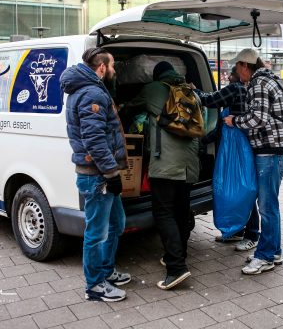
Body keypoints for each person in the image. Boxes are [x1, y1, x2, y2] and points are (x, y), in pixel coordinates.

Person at [60, 48, 130, 302]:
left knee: (115, 224)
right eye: (111, 66)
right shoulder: (92, 92)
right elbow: (95, 140)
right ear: (101, 67)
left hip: (101, 173)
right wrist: (112, 173)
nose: (113, 70)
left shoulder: (90, 90)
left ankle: (106, 270)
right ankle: (94, 286)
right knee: (97, 232)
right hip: (98, 175)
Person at [130, 61, 199, 290]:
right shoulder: (191, 91)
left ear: (158, 75)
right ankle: (177, 257)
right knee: (181, 211)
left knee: (163, 212)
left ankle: (176, 268)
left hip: (165, 165)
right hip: (190, 165)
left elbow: (130, 107)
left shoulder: (153, 89)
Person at [223, 48, 283, 275]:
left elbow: (258, 118)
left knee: (267, 207)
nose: (236, 72)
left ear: (245, 65)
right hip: (276, 151)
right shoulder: (268, 80)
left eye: (237, 68)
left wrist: (235, 120)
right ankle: (273, 250)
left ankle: (265, 257)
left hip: (270, 152)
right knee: (271, 205)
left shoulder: (259, 84)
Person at [194, 65, 260, 252]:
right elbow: (221, 126)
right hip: (241, 146)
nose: (227, 78)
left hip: (237, 148)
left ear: (235, 75)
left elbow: (209, 100)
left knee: (243, 189)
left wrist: (194, 90)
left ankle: (252, 234)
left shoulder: (235, 88)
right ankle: (238, 230)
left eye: (229, 74)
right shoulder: (248, 89)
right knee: (242, 188)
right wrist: (204, 139)